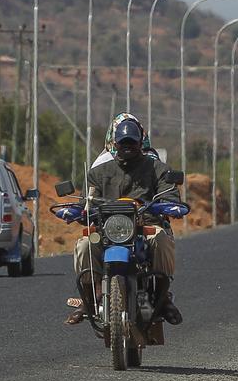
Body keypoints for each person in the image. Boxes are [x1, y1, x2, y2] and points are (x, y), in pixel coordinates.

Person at [65, 114, 183, 326]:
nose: (127, 146)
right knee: (84, 245)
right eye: (122, 142)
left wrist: (169, 205)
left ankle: (163, 297)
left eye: (132, 142)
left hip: (146, 227)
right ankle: (90, 299)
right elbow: (87, 202)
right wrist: (77, 211)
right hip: (106, 230)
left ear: (141, 142)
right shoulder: (97, 173)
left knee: (162, 239)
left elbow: (169, 193)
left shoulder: (158, 169)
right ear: (114, 144)